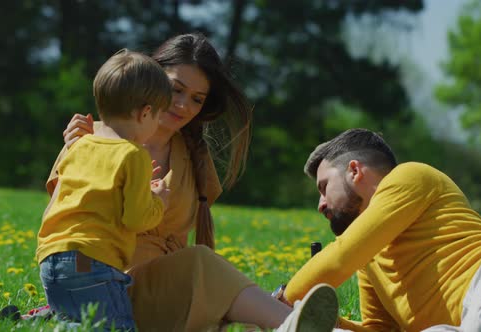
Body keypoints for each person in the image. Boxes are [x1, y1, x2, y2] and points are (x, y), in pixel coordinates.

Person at [51, 33, 339, 331]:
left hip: (165, 293)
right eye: (176, 89)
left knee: (209, 275)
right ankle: (293, 325)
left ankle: (285, 320)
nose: (183, 106)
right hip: (107, 287)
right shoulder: (91, 138)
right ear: (151, 77)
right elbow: (61, 229)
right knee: (202, 262)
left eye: (197, 99)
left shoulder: (192, 156)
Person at [278, 128, 481, 331]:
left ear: (354, 171)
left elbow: (342, 257)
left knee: (480, 325)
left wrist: (279, 302)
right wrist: (323, 323)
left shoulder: (410, 175)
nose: (320, 204)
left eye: (324, 187)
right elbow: (379, 328)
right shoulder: (370, 257)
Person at [36, 49, 171, 331]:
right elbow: (135, 219)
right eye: (158, 117)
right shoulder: (134, 154)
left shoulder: (80, 145)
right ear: (145, 113)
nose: (157, 125)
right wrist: (157, 201)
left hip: (52, 258)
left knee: (77, 323)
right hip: (92, 261)